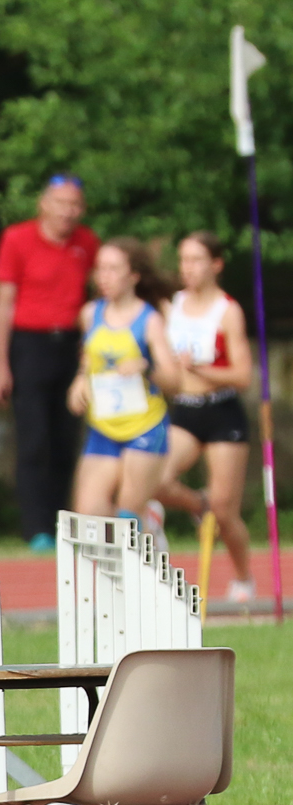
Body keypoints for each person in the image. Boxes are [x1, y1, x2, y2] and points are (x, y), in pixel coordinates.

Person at [0, 176, 101, 551]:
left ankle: (63, 521)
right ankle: (36, 527)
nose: (68, 211)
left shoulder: (86, 242)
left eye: (75, 204)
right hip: (30, 344)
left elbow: (97, 297)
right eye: (61, 203)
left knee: (66, 439)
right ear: (44, 204)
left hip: (70, 344)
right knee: (34, 439)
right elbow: (4, 303)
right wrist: (0, 364)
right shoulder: (17, 239)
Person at [157, 231, 259, 607]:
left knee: (226, 512)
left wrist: (198, 367)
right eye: (183, 260)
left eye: (196, 260)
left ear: (216, 265)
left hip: (221, 412)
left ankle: (244, 577)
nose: (188, 268)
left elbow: (243, 375)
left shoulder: (227, 311)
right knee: (155, 479)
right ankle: (198, 504)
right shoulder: (172, 306)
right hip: (184, 411)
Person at [67, 236, 190, 521]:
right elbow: (88, 358)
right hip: (103, 426)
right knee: (88, 515)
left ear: (134, 276)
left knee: (127, 516)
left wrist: (145, 368)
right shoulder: (90, 314)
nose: (104, 276)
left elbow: (175, 383)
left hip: (144, 427)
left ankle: (145, 523)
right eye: (100, 268)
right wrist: (80, 381)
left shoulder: (150, 321)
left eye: (113, 269)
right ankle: (151, 523)